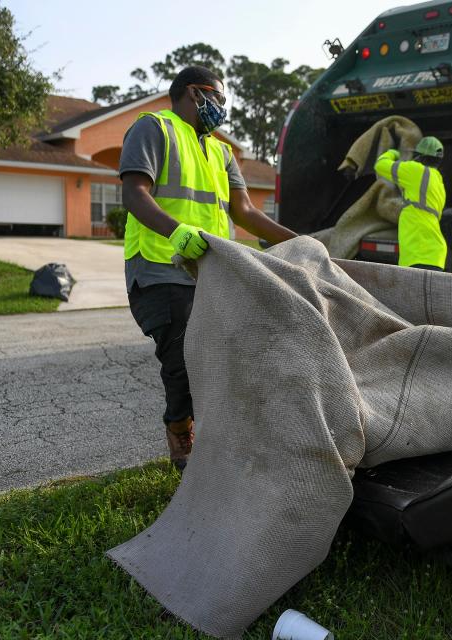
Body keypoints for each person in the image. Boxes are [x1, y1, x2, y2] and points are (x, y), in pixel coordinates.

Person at [119, 66, 297, 472]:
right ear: (193, 94)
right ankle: (182, 437)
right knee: (183, 361)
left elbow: (245, 212)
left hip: (213, 273)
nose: (221, 107)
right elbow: (134, 193)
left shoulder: (221, 151)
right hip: (160, 268)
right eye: (217, 97)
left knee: (226, 359)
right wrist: (177, 232)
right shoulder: (154, 129)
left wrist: (297, 241)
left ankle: (224, 443)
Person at [374, 136, 448, 271]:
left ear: (420, 157)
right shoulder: (438, 182)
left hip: (418, 253)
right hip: (435, 255)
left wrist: (394, 153)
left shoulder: (416, 171)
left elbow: (380, 165)